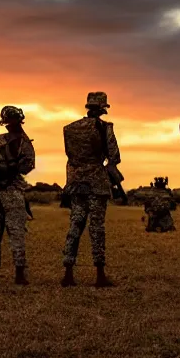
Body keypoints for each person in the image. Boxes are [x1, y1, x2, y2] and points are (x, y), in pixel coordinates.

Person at [61, 92, 120, 288]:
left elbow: (70, 154)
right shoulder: (104, 128)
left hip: (76, 183)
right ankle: (100, 275)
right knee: (96, 228)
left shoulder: (70, 128)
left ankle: (68, 273)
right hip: (96, 183)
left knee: (75, 225)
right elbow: (114, 155)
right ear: (103, 108)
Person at [0, 106, 35, 286]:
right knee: (16, 233)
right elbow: (27, 166)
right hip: (13, 192)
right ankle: (19, 275)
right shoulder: (24, 143)